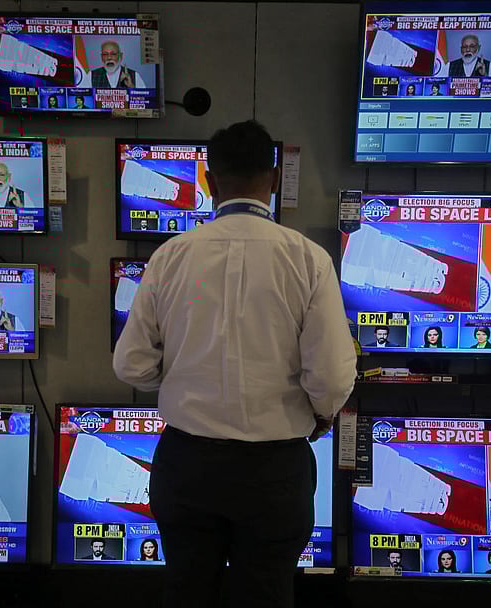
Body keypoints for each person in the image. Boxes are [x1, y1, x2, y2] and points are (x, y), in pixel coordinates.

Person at [113, 120, 357, 608]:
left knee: (187, 590)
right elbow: (331, 378)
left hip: (187, 465)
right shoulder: (308, 259)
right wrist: (321, 414)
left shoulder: (169, 257)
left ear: (207, 179)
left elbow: (131, 366)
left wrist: (184, 372)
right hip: (274, 470)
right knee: (266, 593)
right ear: (273, 180)